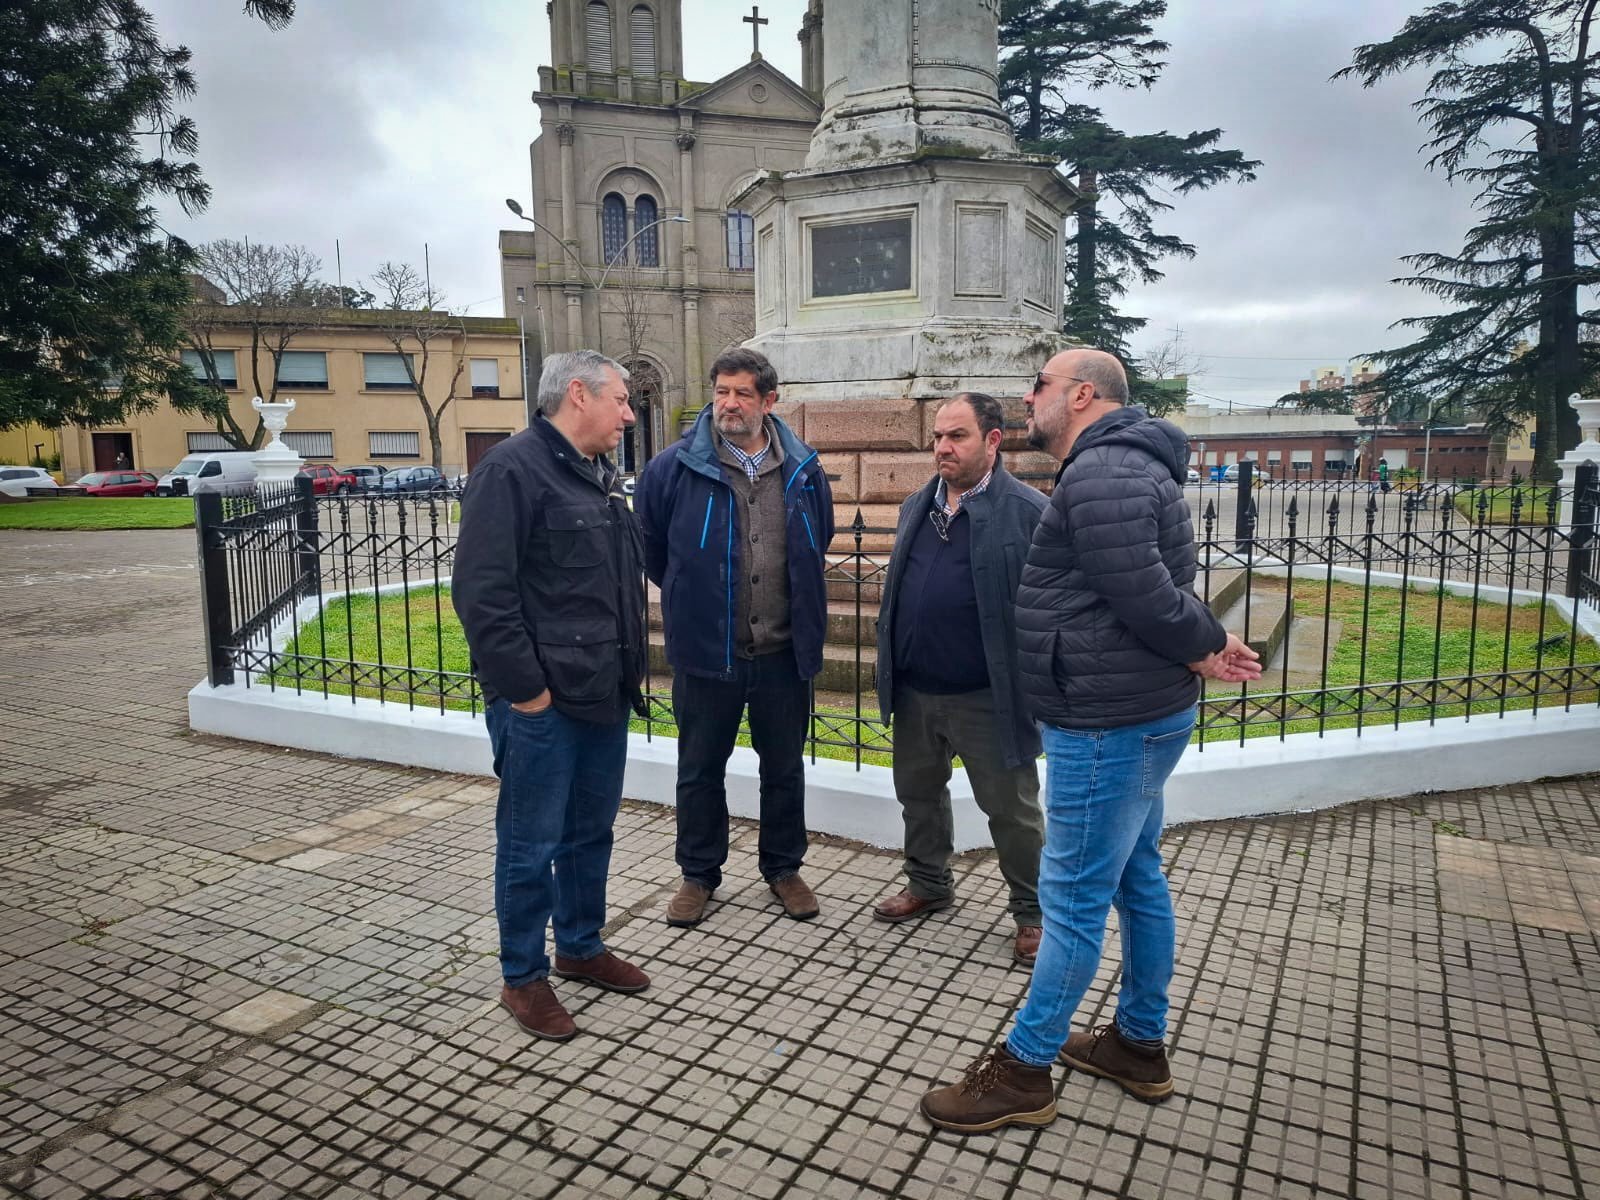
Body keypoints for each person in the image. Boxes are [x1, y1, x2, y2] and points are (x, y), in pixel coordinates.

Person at [921, 349, 1262, 1133]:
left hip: (1107, 721)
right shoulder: (1123, 464)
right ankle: (1138, 1045)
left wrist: (1206, 643)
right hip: (1131, 710)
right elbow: (1141, 587)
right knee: (1137, 876)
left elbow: (1141, 591)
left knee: (1071, 899)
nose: (1028, 399)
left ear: (1079, 395)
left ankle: (1023, 1069)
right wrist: (1201, 644)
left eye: (1039, 385)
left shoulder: (1103, 471)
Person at [451, 349, 650, 1043]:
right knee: (530, 845)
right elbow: (482, 597)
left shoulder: (598, 475)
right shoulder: (510, 471)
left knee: (590, 832)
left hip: (603, 692)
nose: (629, 413)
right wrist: (527, 695)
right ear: (578, 394)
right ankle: (521, 977)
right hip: (543, 706)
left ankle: (581, 946)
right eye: (621, 399)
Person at [635, 347, 834, 928]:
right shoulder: (673, 468)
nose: (728, 403)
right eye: (722, 391)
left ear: (769, 401)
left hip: (782, 652)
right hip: (705, 650)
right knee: (699, 768)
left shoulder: (803, 469)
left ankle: (783, 868)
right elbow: (655, 551)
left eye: (742, 393)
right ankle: (698, 874)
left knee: (784, 767)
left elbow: (813, 541)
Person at [871, 391, 1048, 965]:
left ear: (993, 440)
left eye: (957, 436)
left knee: (1012, 812)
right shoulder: (917, 506)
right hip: (917, 689)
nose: (942, 447)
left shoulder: (1027, 512)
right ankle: (928, 883)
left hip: (987, 696)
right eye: (938, 436)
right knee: (918, 797)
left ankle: (1033, 912)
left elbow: (1048, 607)